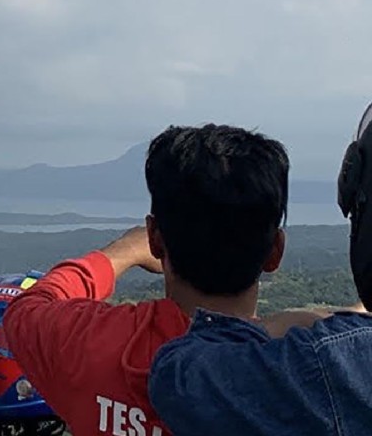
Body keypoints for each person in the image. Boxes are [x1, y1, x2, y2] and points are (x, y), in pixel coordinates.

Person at [3, 124, 289, 436]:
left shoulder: (90, 343)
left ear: (155, 238)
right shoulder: (299, 380)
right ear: (275, 252)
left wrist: (123, 253)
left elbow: (26, 308)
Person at [149, 103, 372, 435]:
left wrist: (282, 323)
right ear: (275, 251)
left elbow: (179, 372)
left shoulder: (329, 366)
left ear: (155, 239)